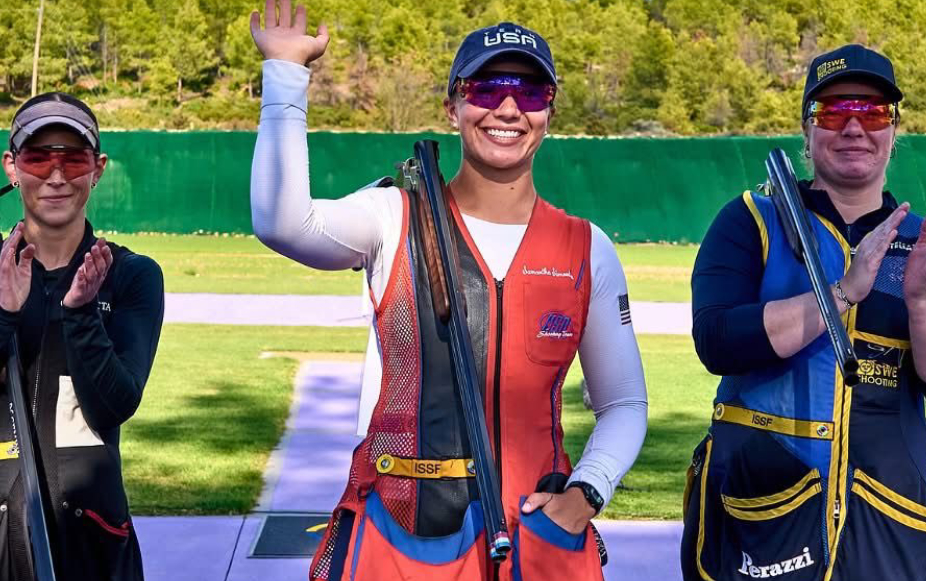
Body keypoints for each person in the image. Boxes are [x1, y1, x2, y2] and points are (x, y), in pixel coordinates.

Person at [249, 1, 648, 579]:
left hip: (540, 537)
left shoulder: (586, 247)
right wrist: (286, 77)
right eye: (486, 88)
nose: (508, 108)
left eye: (531, 92)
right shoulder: (393, 216)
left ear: (550, 112)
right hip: (401, 535)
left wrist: (585, 494)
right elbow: (283, 224)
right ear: (453, 105)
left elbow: (625, 404)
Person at [681, 44, 926, 581]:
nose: (854, 127)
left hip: (891, 520)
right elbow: (717, 340)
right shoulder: (750, 220)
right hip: (764, 511)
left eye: (872, 112)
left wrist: (921, 300)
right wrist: (842, 292)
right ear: (807, 130)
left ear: (893, 131)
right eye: (833, 111)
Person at [0, 92, 165, 581]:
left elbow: (113, 406)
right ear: (12, 166)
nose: (57, 175)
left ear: (98, 167)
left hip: (89, 544)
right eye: (38, 157)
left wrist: (81, 315)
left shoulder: (131, 275)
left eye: (75, 157)